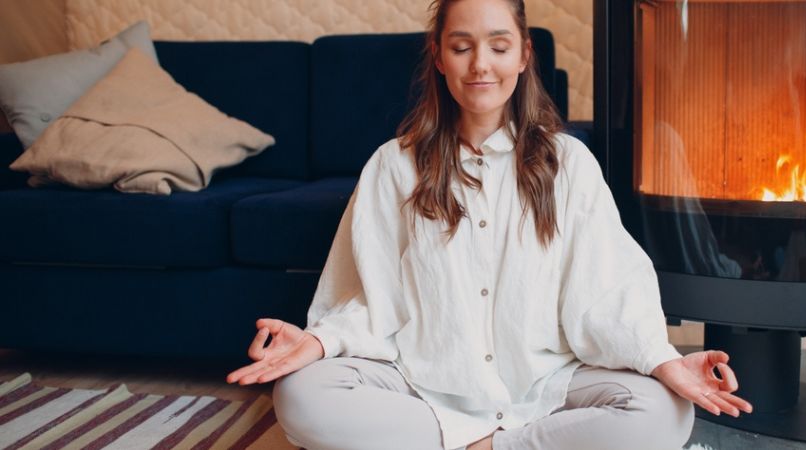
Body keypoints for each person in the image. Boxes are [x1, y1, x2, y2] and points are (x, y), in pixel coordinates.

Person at [226, 0, 753, 449]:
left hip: (547, 381)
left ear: (524, 54)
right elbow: (370, 297)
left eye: (498, 47)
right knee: (301, 397)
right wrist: (316, 343)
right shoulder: (394, 164)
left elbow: (606, 290)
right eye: (461, 47)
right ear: (438, 57)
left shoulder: (569, 163)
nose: (481, 65)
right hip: (421, 386)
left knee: (666, 412)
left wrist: (662, 360)